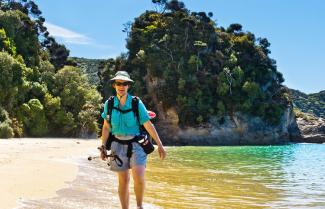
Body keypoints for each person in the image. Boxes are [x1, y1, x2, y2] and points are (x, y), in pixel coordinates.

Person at [99, 71, 167, 209]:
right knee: (123, 181)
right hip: (117, 146)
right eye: (119, 83)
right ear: (114, 85)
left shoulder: (136, 102)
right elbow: (106, 127)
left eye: (125, 83)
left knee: (139, 177)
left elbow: (148, 124)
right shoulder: (109, 104)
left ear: (128, 86)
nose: (121, 86)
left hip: (137, 145)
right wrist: (103, 147)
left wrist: (160, 144)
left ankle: (139, 206)